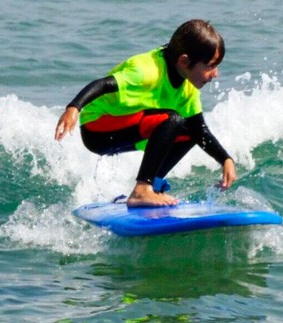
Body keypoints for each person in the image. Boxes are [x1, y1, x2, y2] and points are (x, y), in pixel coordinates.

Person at [54, 19, 237, 207]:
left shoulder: (187, 87)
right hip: (97, 128)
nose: (216, 74)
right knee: (172, 119)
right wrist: (74, 108)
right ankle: (142, 191)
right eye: (210, 66)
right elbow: (103, 84)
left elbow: (199, 130)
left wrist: (225, 159)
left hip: (128, 127)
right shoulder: (147, 71)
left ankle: (153, 186)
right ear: (184, 61)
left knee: (189, 130)